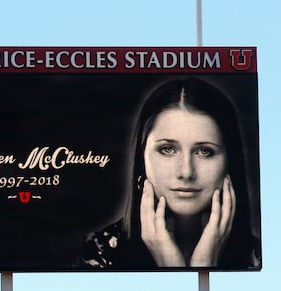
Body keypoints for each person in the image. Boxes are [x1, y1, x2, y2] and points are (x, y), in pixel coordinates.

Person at [82, 77, 260, 270]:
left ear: (229, 161)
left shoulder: (258, 258)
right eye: (167, 149)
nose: (186, 172)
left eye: (204, 151)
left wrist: (203, 265)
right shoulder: (98, 252)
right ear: (142, 157)